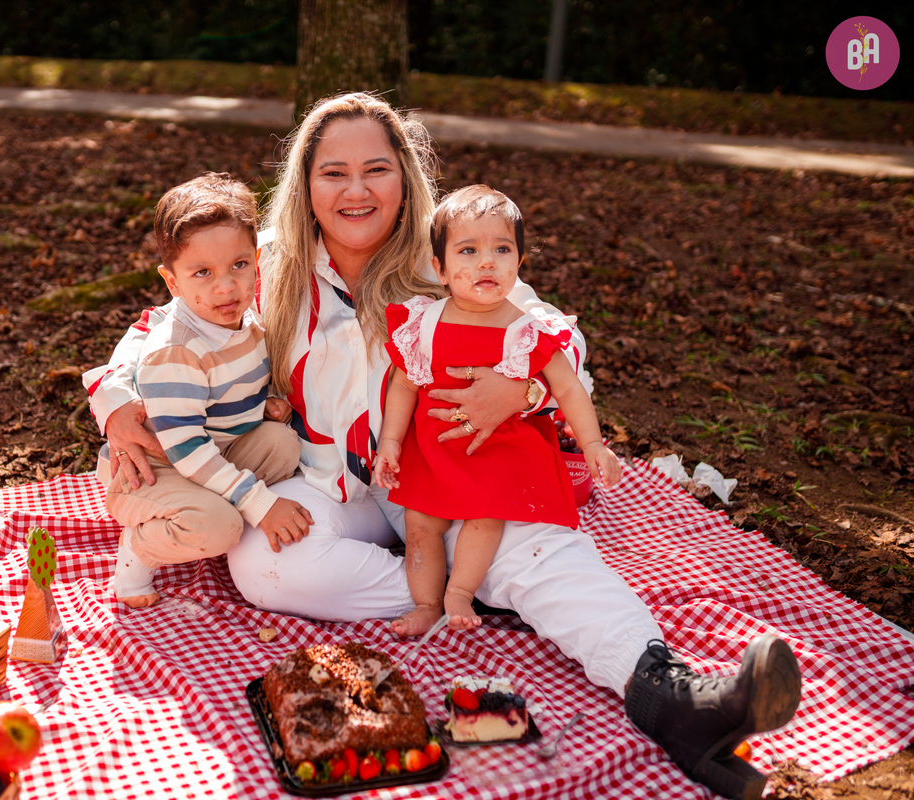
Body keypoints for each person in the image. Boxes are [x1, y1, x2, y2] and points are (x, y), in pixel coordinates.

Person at [85, 93, 800, 800]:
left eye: (377, 168)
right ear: (305, 184)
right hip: (318, 473)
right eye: (333, 172)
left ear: (406, 175)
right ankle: (469, 587)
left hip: (435, 473)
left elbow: (561, 338)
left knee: (532, 545)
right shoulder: (267, 262)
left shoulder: (447, 256)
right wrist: (116, 404)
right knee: (266, 566)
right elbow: (157, 324)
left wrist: (523, 392)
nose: (356, 189)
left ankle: (668, 694)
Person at [374, 185, 623, 636]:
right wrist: (390, 441)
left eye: (501, 249)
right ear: (440, 268)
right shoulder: (425, 323)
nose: (486, 262)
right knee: (420, 522)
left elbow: (567, 387)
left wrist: (592, 445)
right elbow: (404, 384)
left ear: (520, 264)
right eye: (468, 250)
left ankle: (460, 592)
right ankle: (427, 602)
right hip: (432, 447)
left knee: (483, 516)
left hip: (494, 449)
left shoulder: (525, 329)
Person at [92, 173, 313, 608]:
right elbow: (187, 447)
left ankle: (213, 505)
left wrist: (264, 401)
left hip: (213, 451)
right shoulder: (176, 350)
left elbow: (228, 389)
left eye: (239, 265)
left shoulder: (241, 321)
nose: (226, 286)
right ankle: (140, 551)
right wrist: (260, 504)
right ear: (172, 282)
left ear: (256, 259)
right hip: (154, 470)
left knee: (281, 445)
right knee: (222, 528)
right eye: (202, 273)